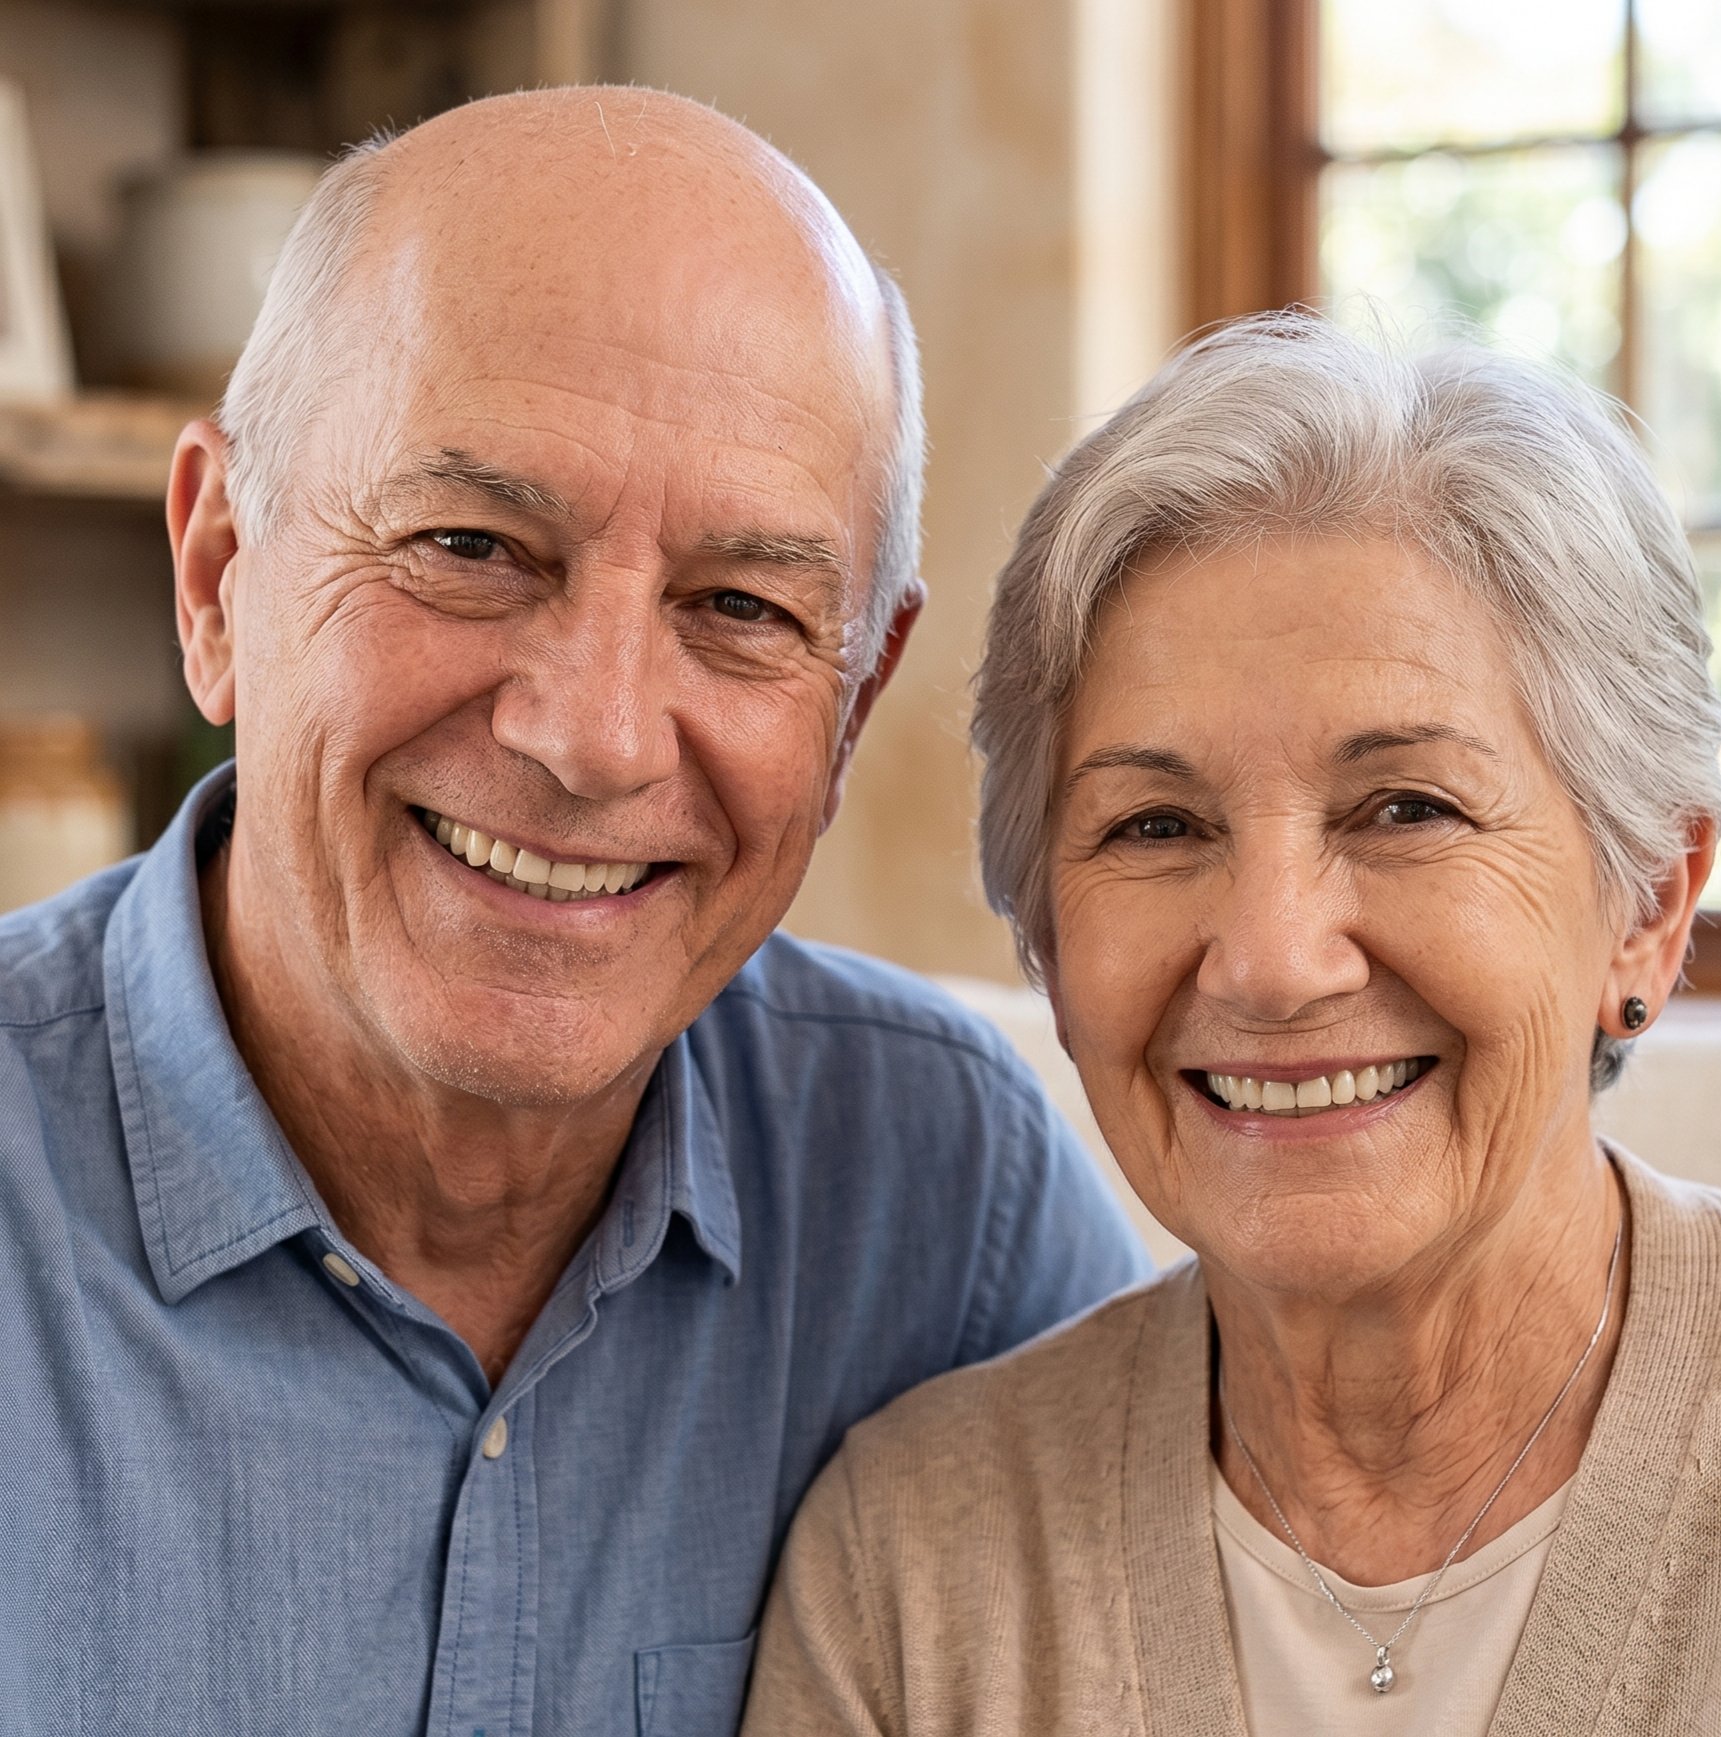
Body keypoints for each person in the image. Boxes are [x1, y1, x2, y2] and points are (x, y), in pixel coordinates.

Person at [0, 89, 1151, 1736]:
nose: (596, 736)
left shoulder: (946, 1209)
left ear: (851, 698)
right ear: (216, 576)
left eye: (741, 607)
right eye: (470, 545)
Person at [742, 313, 1721, 1735]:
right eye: (1154, 824)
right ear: (1044, 940)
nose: (1271, 961)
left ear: (1646, 902)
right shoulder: (914, 1565)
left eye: (1405, 808)